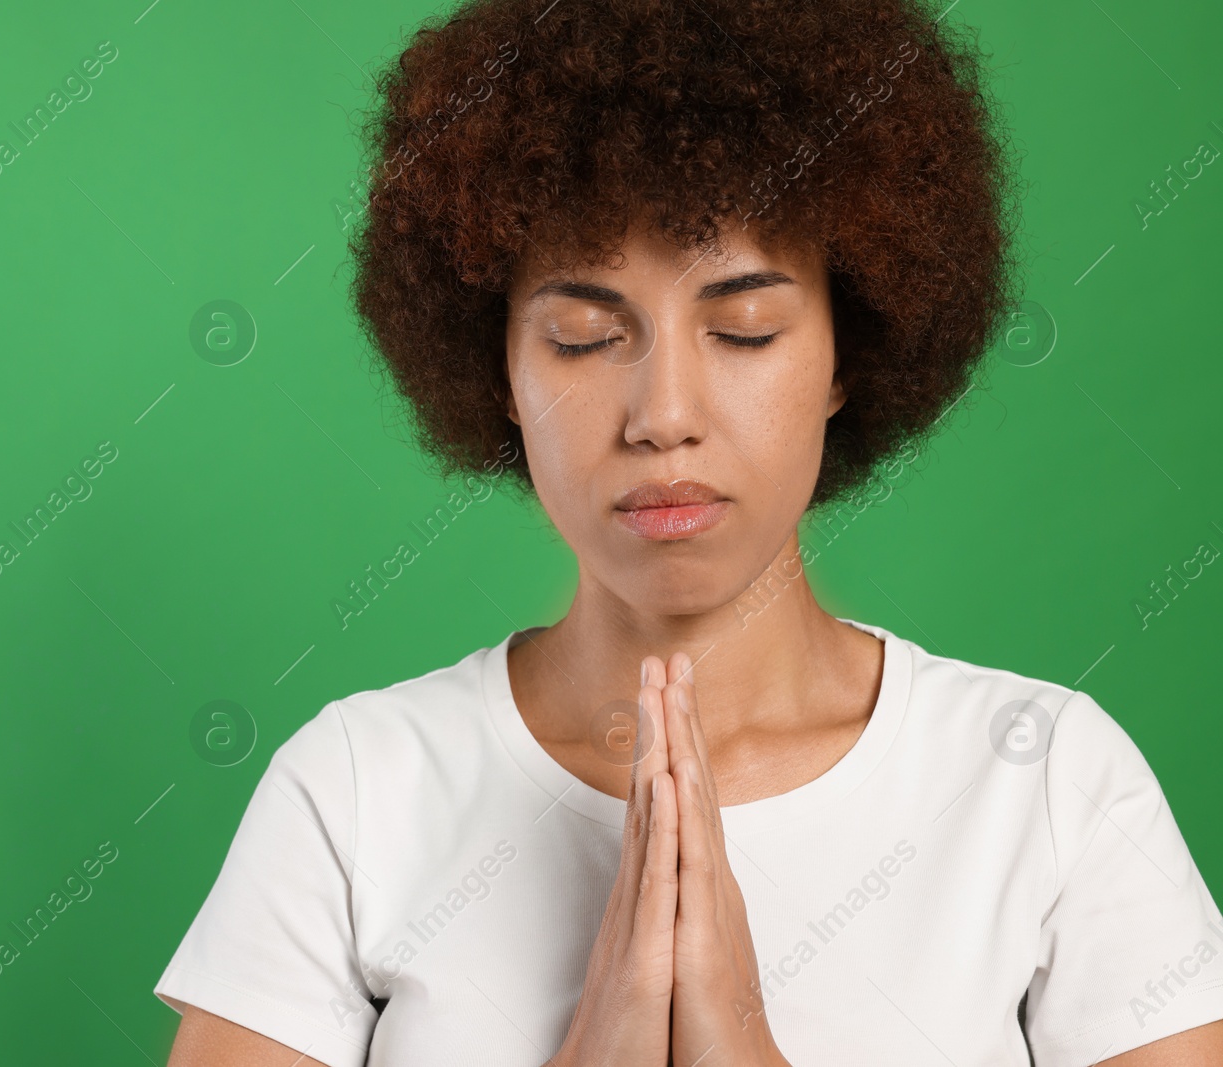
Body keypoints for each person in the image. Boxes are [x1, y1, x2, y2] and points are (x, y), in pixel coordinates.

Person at [156, 0, 1223, 1063]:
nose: (663, 412)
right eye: (582, 337)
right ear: (501, 376)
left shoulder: (1041, 782)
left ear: (848, 352)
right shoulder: (355, 792)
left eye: (743, 328)